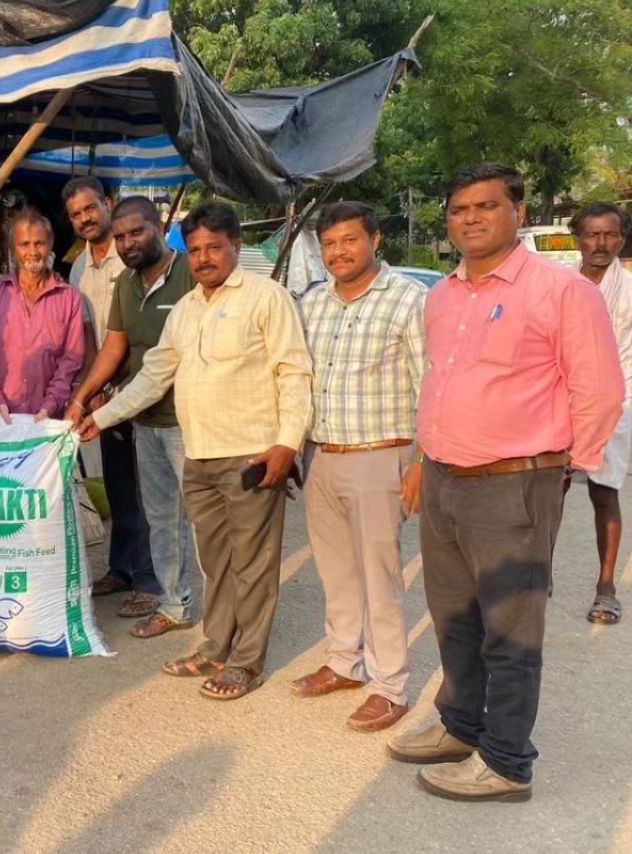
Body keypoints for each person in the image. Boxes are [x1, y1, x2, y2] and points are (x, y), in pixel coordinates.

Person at [388, 163, 623, 801]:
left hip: (514, 483)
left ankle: (506, 761)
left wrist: (562, 467)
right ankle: (460, 725)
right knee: (453, 617)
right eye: (458, 209)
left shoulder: (562, 291)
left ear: (517, 212)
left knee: (510, 629)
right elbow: (439, 383)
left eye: (486, 206)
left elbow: (600, 390)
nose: (470, 218)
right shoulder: (442, 295)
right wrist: (424, 458)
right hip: (444, 479)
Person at [77, 201, 313, 701]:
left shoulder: (266, 298)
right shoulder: (186, 309)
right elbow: (154, 375)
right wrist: (101, 417)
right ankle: (216, 646)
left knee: (252, 563)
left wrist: (287, 444)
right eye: (197, 249)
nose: (205, 258)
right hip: (199, 453)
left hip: (251, 453)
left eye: (215, 248)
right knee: (217, 561)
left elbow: (294, 373)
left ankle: (246, 662)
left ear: (236, 247)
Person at [292, 201, 426, 733]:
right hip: (321, 454)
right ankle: (345, 662)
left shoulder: (408, 300)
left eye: (349, 240)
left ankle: (390, 686)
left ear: (375, 241)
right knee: (335, 570)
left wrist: (423, 462)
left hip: (380, 455)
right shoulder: (313, 302)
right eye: (329, 243)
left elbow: (431, 383)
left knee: (379, 575)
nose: (338, 252)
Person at [65, 196, 198, 638]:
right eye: (120, 237)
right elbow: (114, 347)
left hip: (191, 419)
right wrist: (84, 396)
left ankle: (227, 614)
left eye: (136, 232)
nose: (127, 243)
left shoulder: (190, 273)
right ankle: (174, 603)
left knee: (203, 520)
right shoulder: (127, 282)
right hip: (145, 418)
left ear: (159, 227)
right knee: (160, 517)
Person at [63, 176, 159, 620]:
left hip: (138, 385)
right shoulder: (78, 269)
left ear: (107, 203)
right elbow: (87, 338)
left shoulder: (132, 258)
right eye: (76, 214)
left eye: (90, 208)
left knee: (147, 488)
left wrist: (110, 388)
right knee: (119, 483)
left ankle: (149, 580)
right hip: (101, 392)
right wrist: (90, 391)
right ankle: (121, 568)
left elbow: (134, 338)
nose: (85, 218)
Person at [569, 203, 632, 625]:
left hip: (613, 402)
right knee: (548, 493)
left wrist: (615, 394)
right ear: (578, 238)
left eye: (610, 234)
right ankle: (537, 578)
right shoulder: (560, 283)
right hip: (560, 398)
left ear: (622, 238)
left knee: (604, 493)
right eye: (592, 234)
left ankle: (606, 588)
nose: (601, 243)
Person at [0, 209, 85, 420]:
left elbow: (71, 361)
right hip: (0, 421)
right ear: (13, 249)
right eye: (24, 244)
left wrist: (50, 405)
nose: (33, 252)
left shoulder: (70, 298)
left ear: (50, 245)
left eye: (39, 243)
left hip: (48, 420)